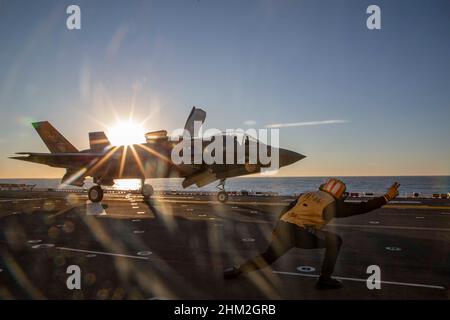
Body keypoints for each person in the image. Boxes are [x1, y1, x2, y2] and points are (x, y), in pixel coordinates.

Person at [223, 178, 400, 289]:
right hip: (300, 233)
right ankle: (325, 279)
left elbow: (286, 209)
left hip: (283, 227)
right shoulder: (332, 204)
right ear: (338, 193)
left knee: (268, 257)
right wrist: (386, 197)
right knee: (335, 241)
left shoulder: (306, 194)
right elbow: (361, 207)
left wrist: (277, 228)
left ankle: (237, 270)